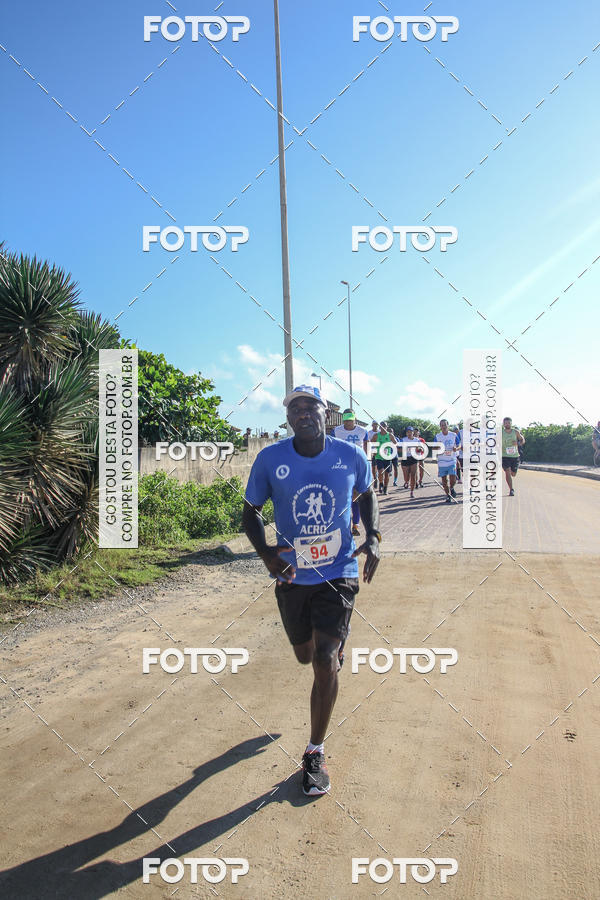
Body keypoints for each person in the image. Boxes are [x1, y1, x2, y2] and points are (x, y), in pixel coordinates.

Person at [242, 384, 381, 796]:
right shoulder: (271, 458)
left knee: (324, 660)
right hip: (291, 576)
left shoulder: (350, 455)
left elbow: (368, 493)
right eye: (295, 408)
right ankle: (329, 642)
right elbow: (250, 512)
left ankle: (314, 751)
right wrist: (266, 554)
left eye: (310, 407)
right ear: (288, 418)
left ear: (326, 414)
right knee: (304, 656)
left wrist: (373, 535)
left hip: (338, 571)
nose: (302, 413)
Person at [334, 409, 368, 536]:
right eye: (346, 419)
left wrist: (367, 464)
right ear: (343, 419)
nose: (348, 422)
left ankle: (356, 525)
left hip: (358, 467)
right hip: (342, 468)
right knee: (344, 497)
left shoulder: (362, 431)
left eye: (350, 419)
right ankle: (345, 524)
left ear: (355, 418)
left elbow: (366, 448)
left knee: (356, 497)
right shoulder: (336, 431)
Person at [434, 419, 460, 502]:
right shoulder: (437, 436)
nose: (443, 426)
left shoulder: (453, 435)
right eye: (442, 425)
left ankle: (451, 487)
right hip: (442, 461)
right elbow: (434, 447)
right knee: (444, 481)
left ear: (448, 425)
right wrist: (438, 448)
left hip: (452, 460)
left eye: (445, 425)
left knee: (453, 478)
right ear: (440, 427)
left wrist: (456, 448)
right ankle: (448, 495)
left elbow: (459, 445)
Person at [501, 417, 525, 496]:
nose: (507, 424)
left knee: (513, 474)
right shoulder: (500, 433)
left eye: (509, 423)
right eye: (506, 423)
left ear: (511, 423)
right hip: (504, 456)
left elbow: (522, 439)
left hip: (515, 456)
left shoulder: (515, 432)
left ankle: (513, 471)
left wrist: (518, 444)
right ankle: (511, 489)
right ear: (503, 424)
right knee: (507, 472)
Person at [372, 421, 397, 495]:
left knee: (387, 474)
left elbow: (395, 443)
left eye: (385, 426)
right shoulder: (376, 435)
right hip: (379, 457)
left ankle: (385, 488)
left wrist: (392, 446)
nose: (383, 428)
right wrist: (374, 450)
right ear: (380, 427)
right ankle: (381, 483)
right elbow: (371, 443)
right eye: (382, 426)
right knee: (381, 471)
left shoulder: (390, 435)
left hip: (387, 457)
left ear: (387, 427)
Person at [399, 426, 419, 499]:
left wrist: (418, 449)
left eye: (410, 432)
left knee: (413, 475)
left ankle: (412, 492)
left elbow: (420, 448)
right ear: (406, 433)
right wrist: (404, 449)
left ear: (413, 432)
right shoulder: (403, 440)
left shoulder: (417, 440)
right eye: (408, 432)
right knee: (406, 477)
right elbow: (398, 448)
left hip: (413, 458)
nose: (409, 433)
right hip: (405, 458)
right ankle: (406, 482)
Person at [366, 419, 379, 490]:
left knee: (380, 467)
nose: (375, 426)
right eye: (374, 424)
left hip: (380, 451)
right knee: (373, 468)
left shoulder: (380, 432)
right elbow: (367, 442)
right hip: (371, 451)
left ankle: (381, 482)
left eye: (376, 424)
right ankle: (375, 479)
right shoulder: (369, 433)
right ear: (372, 425)